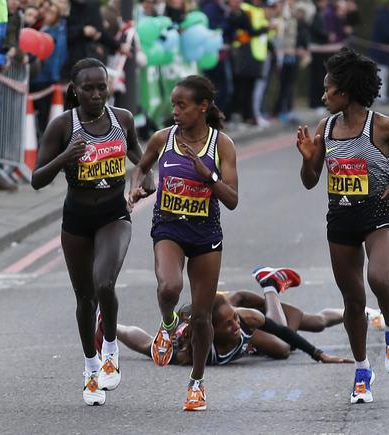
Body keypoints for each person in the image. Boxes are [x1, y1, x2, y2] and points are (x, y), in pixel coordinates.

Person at [296, 47, 389, 404]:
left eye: (329, 90)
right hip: (341, 217)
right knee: (353, 301)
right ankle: (361, 371)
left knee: (378, 279)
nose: (323, 96)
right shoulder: (325, 128)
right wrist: (310, 159)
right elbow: (310, 181)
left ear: (348, 93)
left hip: (379, 213)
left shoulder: (381, 125)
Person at [31, 58, 153, 406]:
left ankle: (111, 348)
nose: (97, 94)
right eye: (89, 88)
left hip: (115, 214)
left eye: (102, 87)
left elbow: (144, 164)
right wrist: (65, 157)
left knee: (104, 283)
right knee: (85, 299)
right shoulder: (62, 126)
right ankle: (90, 368)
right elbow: (37, 179)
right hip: (77, 220)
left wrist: (144, 184)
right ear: (75, 90)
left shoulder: (122, 119)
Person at [128, 75, 239, 411]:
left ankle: (197, 382)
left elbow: (232, 199)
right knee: (169, 288)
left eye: (182, 105)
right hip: (169, 226)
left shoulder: (222, 145)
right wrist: (136, 187)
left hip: (206, 233)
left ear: (202, 107)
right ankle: (167, 325)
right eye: (173, 104)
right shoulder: (163, 139)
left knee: (203, 316)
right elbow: (141, 168)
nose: (175, 111)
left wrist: (209, 176)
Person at [97, 266, 376, 366]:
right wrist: (111, 327)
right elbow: (145, 343)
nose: (234, 325)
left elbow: (276, 328)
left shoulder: (243, 319)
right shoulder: (191, 352)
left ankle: (269, 286)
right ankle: (104, 321)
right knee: (154, 351)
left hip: (243, 307)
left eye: (234, 321)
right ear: (210, 331)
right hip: (206, 319)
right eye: (229, 324)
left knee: (296, 336)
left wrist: (318, 354)